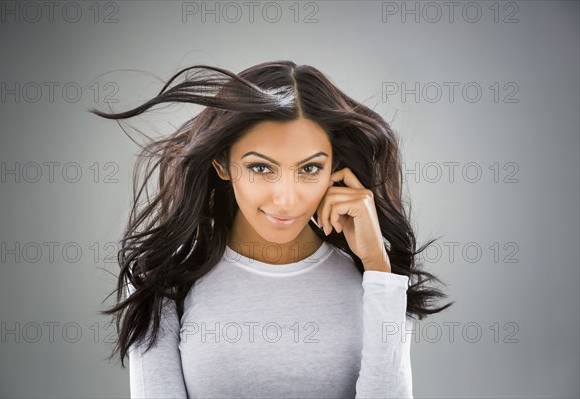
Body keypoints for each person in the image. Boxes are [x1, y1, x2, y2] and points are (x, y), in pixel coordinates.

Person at [90, 60, 454, 398]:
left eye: (309, 169)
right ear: (222, 163)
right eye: (261, 168)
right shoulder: (160, 279)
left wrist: (378, 266)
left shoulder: (376, 280)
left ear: (335, 169)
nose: (286, 200)